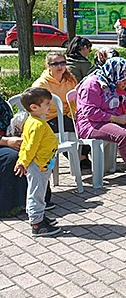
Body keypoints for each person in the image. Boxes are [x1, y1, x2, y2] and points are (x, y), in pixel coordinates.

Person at [32, 52, 90, 200]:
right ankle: (76, 158)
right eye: (55, 64)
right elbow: (38, 109)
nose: (60, 67)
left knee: (87, 126)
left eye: (62, 63)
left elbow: (77, 99)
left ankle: (81, 156)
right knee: (70, 127)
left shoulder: (70, 79)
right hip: (49, 119)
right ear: (48, 66)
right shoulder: (41, 84)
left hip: (69, 115)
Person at [13, 88, 61, 236]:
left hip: (43, 163)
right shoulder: (37, 125)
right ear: (34, 107)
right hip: (38, 164)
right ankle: (37, 224)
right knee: (36, 193)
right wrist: (24, 162)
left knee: (38, 191)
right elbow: (30, 146)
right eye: (47, 103)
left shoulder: (34, 120)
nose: (50, 105)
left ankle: (39, 217)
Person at [0, 95, 28, 216]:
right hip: (2, 143)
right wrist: (6, 141)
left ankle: (35, 199)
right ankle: (8, 206)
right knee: (13, 157)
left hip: (6, 139)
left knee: (31, 151)